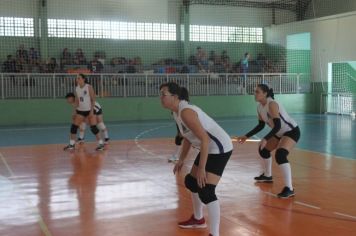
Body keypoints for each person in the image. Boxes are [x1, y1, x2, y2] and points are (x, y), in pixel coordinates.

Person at [160, 82, 233, 236]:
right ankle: (198, 219)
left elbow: (205, 139)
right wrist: (181, 160)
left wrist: (201, 168)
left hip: (219, 148)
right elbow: (188, 137)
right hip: (209, 147)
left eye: (163, 94)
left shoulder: (186, 111)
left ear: (175, 96)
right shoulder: (176, 112)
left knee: (206, 191)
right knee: (192, 182)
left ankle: (215, 233)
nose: (161, 98)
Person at [236, 84, 300, 198]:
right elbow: (260, 125)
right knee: (263, 150)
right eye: (254, 92)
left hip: (291, 131)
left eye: (257, 92)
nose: (254, 94)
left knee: (280, 155)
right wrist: (246, 136)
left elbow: (278, 125)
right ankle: (267, 176)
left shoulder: (272, 104)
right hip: (279, 132)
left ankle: (289, 188)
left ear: (265, 93)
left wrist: (266, 138)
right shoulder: (260, 107)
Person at [63, 74, 104, 151]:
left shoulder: (88, 87)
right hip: (81, 111)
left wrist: (91, 111)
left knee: (93, 128)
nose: (77, 80)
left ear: (83, 79)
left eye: (79, 78)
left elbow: (93, 99)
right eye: (76, 78)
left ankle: (101, 144)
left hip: (89, 110)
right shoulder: (77, 88)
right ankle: (72, 144)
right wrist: (74, 111)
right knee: (74, 127)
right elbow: (77, 101)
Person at [168, 87, 189, 162]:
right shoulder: (175, 108)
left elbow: (184, 121)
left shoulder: (184, 107)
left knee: (195, 141)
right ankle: (175, 156)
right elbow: (178, 121)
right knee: (179, 138)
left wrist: (182, 131)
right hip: (183, 127)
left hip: (189, 128)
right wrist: (179, 131)